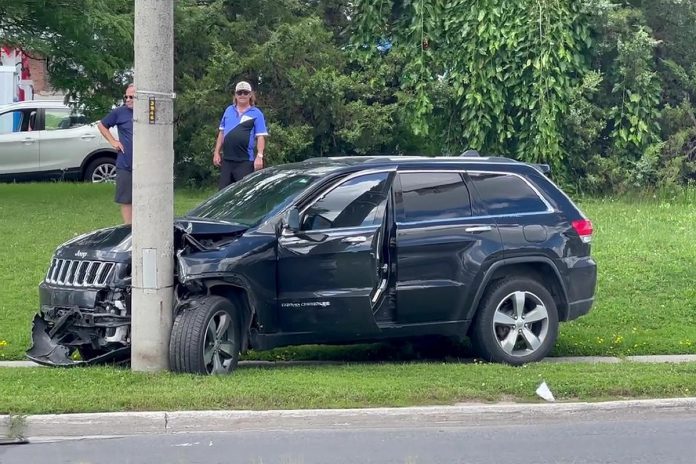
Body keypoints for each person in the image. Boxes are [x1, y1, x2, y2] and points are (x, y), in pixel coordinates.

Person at [213, 81, 268, 189]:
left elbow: (260, 136)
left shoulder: (256, 113)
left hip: (245, 162)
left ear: (250, 95)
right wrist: (216, 152)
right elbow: (222, 132)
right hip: (227, 160)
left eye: (245, 93)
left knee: (243, 193)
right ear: (235, 95)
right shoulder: (229, 110)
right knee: (223, 194)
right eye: (239, 93)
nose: (242, 95)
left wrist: (259, 156)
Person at [98, 84, 135, 224]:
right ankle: (128, 228)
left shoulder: (147, 113)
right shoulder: (119, 112)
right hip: (125, 164)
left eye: (131, 97)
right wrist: (113, 141)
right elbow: (102, 125)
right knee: (126, 199)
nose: (128, 99)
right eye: (126, 96)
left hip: (144, 164)